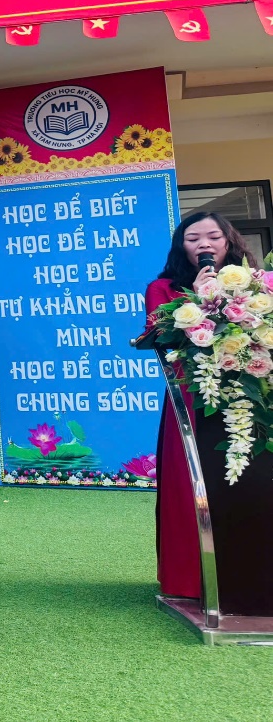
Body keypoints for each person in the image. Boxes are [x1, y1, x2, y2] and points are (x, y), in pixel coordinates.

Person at [145, 212, 252, 599]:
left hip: (248, 393)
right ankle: (190, 580)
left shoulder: (255, 285)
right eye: (193, 239)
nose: (204, 244)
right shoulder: (162, 288)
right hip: (191, 396)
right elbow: (157, 333)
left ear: (229, 241)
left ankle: (251, 576)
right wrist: (198, 296)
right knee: (191, 485)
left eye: (213, 236)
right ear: (181, 246)